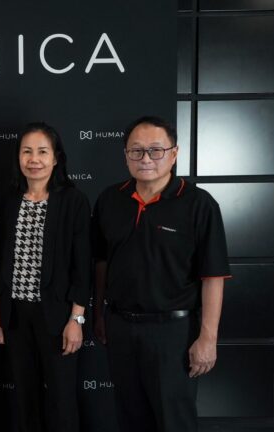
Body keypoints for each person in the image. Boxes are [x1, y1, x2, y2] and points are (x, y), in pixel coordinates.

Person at [92, 116, 230, 432]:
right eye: (136, 151)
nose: (146, 159)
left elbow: (213, 276)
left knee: (173, 421)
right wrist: (99, 314)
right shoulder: (110, 199)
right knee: (130, 418)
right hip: (121, 327)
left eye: (156, 150)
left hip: (173, 333)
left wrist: (208, 338)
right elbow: (102, 262)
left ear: (174, 153)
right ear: (125, 154)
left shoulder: (199, 204)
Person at [0, 122, 89, 432]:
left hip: (57, 316)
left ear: (56, 158)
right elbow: (1, 264)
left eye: (42, 152)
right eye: (27, 151)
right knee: (24, 399)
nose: (34, 159)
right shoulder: (10, 200)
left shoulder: (72, 201)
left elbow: (82, 266)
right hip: (16, 316)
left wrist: (76, 319)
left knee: (61, 400)